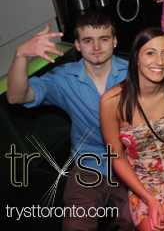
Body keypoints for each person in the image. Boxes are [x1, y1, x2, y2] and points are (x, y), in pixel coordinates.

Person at [6, 12, 133, 231]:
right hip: (90, 163)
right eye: (88, 40)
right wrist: (21, 55)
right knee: (75, 224)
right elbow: (16, 97)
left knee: (138, 221)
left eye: (103, 39)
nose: (96, 47)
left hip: (133, 161)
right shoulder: (64, 78)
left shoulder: (135, 73)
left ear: (114, 41)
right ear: (77, 45)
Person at [99, 28, 164, 230]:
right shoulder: (111, 102)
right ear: (136, 58)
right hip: (142, 183)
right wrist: (149, 199)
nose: (159, 61)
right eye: (150, 53)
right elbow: (117, 158)